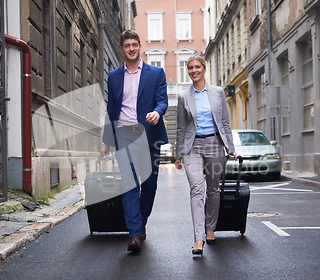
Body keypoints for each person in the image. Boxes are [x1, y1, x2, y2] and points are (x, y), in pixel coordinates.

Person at [100, 30, 168, 252]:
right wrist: (106, 141)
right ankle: (134, 234)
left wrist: (157, 113)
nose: (131, 48)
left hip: (149, 133)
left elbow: (162, 101)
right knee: (130, 185)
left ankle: (141, 222)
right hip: (124, 134)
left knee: (149, 184)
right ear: (121, 49)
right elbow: (111, 109)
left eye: (135, 44)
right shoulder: (113, 76)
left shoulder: (156, 73)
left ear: (140, 47)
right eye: (127, 45)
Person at [175, 54, 237, 255]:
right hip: (192, 146)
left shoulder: (218, 93)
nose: (194, 71)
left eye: (197, 67)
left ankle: (211, 228)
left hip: (214, 143)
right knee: (196, 189)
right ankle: (199, 238)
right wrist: (178, 154)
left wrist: (231, 148)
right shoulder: (184, 97)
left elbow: (225, 123)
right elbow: (181, 128)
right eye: (190, 68)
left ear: (204, 69)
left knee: (213, 190)